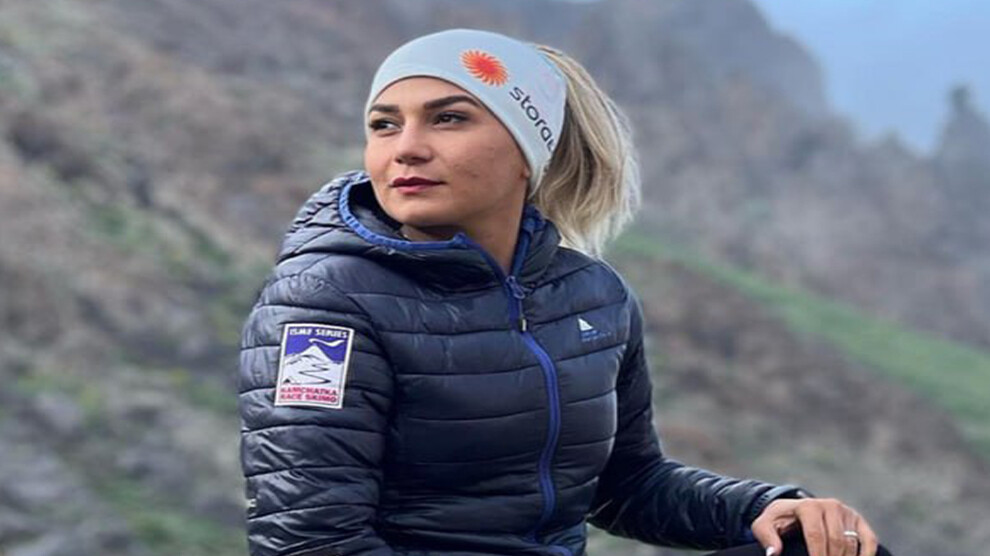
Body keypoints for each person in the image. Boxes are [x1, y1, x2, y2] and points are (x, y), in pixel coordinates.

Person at [238, 28, 892, 556]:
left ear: (530, 150)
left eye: (449, 119)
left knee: (829, 548)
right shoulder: (323, 304)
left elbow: (627, 485)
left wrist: (765, 508)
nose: (406, 149)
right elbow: (310, 540)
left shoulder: (592, 295)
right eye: (384, 125)